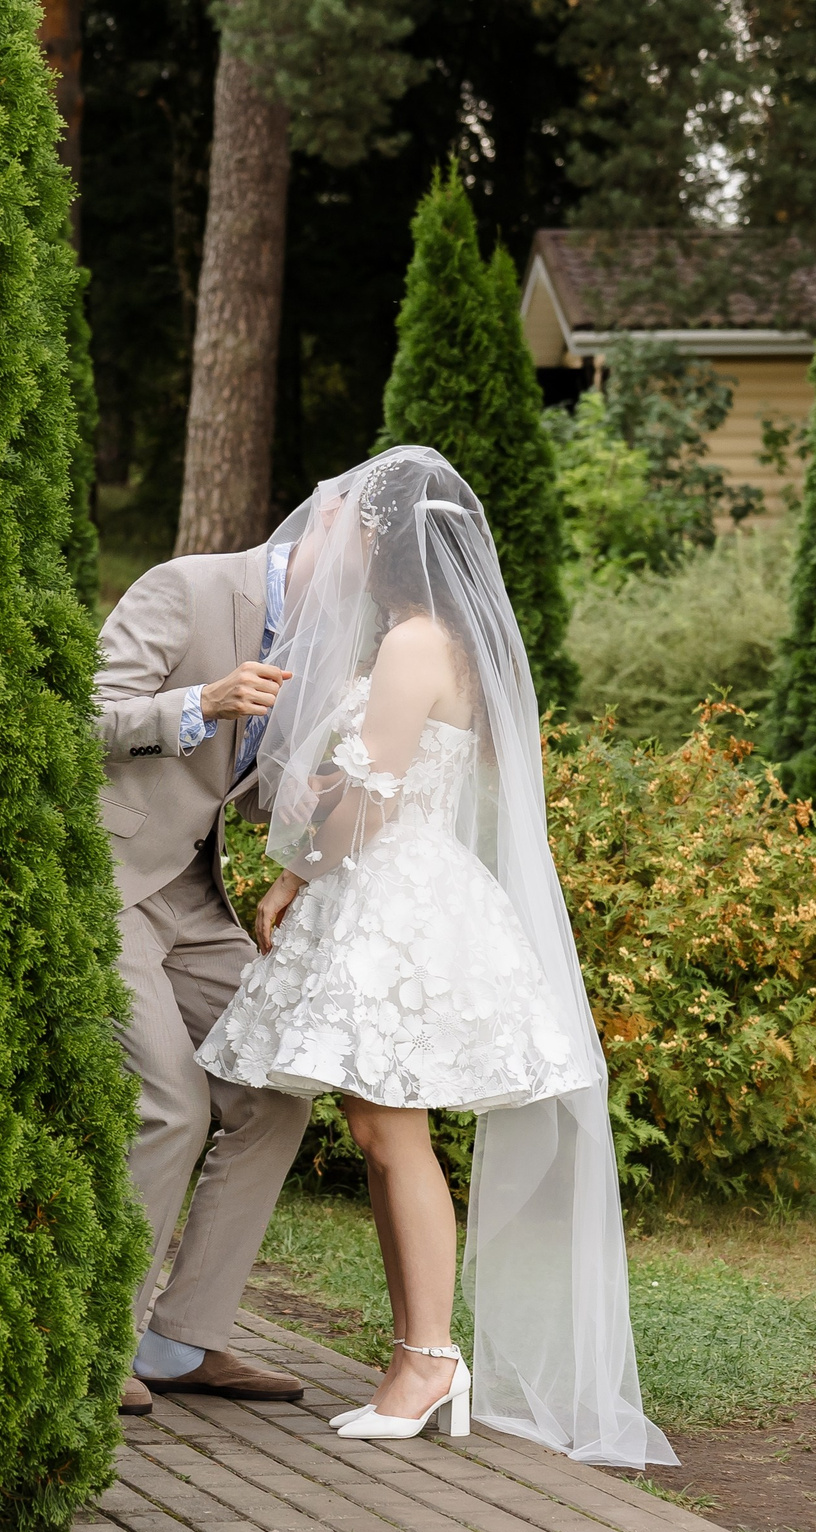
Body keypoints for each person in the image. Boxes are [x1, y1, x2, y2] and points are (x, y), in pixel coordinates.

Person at [198, 445, 673, 1469]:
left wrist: (301, 853)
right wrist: (295, 871)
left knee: (387, 1132)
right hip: (389, 888)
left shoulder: (416, 643)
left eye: (360, 529)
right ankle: (421, 1356)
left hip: (396, 902)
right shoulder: (429, 637)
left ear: (391, 541)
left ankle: (426, 1361)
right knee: (380, 1129)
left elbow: (367, 802)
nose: (348, 545)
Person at [89, 493, 318, 1417]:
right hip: (106, 878)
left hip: (194, 895)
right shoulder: (183, 588)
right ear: (327, 529)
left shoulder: (324, 636)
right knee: (173, 1105)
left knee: (275, 1090)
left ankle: (182, 1340)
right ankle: (96, 1350)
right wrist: (204, 701)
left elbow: (252, 792)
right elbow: (85, 721)